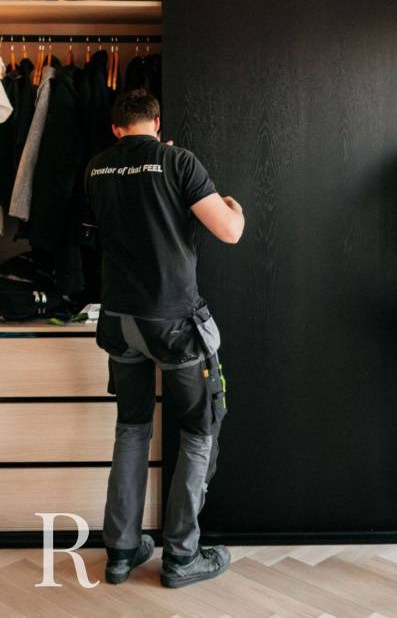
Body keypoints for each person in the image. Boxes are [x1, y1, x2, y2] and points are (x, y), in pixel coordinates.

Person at [84, 88, 245, 589]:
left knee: (131, 429)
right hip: (174, 322)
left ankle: (121, 553)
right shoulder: (178, 160)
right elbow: (229, 231)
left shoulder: (96, 167)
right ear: (157, 122)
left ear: (116, 129)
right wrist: (231, 203)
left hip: (119, 319)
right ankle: (181, 557)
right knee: (199, 432)